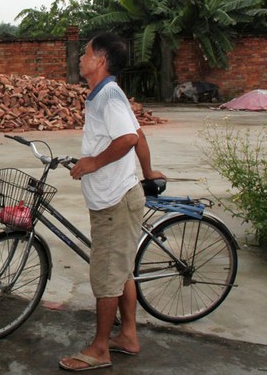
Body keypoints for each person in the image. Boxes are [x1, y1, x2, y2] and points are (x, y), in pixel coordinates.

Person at [59, 32, 165, 372]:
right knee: (121, 272)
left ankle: (100, 348)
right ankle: (128, 336)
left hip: (114, 204)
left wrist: (93, 162)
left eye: (86, 53)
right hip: (119, 198)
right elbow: (139, 135)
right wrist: (147, 172)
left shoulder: (108, 97)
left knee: (106, 277)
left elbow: (129, 138)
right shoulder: (105, 94)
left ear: (100, 61)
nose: (80, 58)